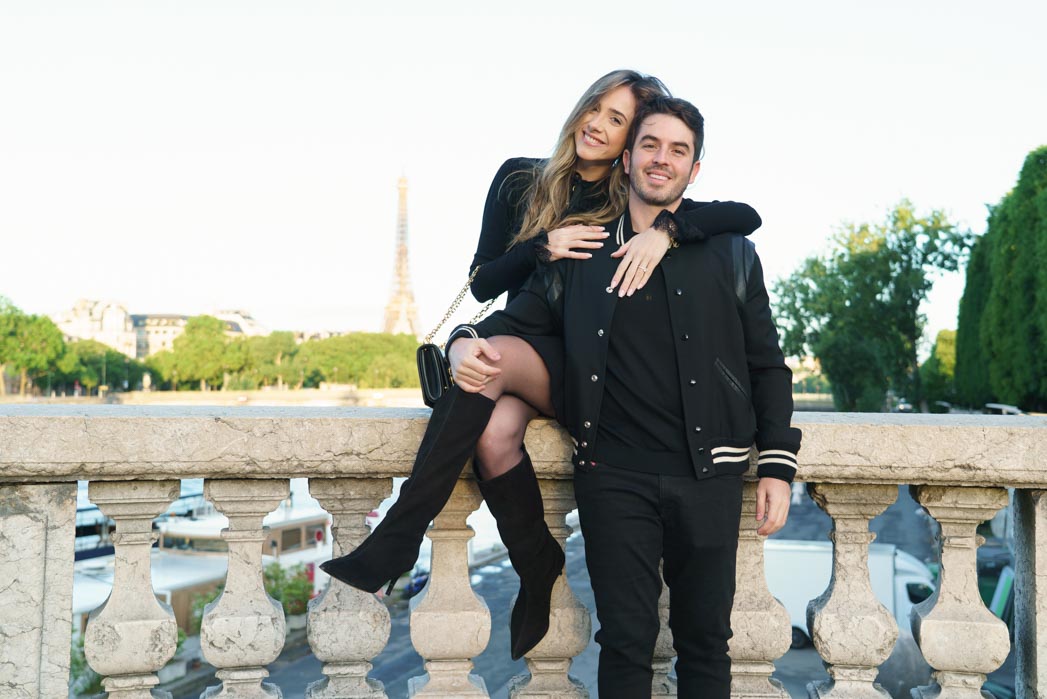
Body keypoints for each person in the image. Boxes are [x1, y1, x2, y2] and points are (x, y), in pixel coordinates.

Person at [321, 71, 761, 661]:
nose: (598, 125)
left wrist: (669, 231)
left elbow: (740, 215)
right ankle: (536, 563)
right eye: (596, 107)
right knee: (496, 433)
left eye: (618, 120)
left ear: (631, 146)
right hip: (521, 337)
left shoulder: (627, 201)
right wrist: (539, 247)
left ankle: (399, 540)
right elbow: (482, 282)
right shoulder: (519, 179)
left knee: (488, 362)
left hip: (584, 358)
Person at [445, 96, 801, 698]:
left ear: (695, 169)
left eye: (679, 150)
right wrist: (461, 342)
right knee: (627, 643)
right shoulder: (582, 250)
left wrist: (777, 465)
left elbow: (766, 364)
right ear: (628, 158)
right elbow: (518, 319)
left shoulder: (732, 253)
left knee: (706, 643)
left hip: (710, 474)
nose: (663, 160)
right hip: (614, 476)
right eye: (651, 145)